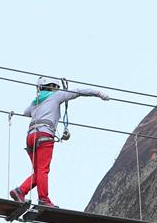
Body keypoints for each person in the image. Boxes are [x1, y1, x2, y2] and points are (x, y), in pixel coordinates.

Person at [10, 77, 109, 207]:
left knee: (39, 171)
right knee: (43, 170)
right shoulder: (56, 95)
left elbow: (26, 113)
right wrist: (98, 93)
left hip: (30, 137)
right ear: (53, 87)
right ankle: (43, 199)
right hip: (44, 135)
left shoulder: (35, 102)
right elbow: (78, 91)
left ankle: (20, 191)